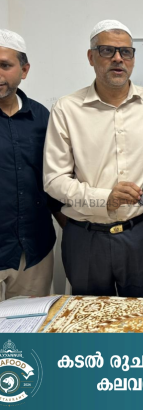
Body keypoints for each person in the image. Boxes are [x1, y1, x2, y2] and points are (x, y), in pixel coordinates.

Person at [44, 20, 143, 297]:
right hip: (86, 238)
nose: (118, 58)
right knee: (90, 318)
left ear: (132, 58)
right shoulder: (66, 109)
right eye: (107, 50)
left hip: (142, 233)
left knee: (142, 316)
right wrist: (104, 198)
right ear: (91, 57)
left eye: (126, 52)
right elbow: (54, 180)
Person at [0, 29, 64, 299]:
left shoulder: (42, 117)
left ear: (24, 70)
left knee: (30, 324)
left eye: (5, 65)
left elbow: (53, 179)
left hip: (34, 250)